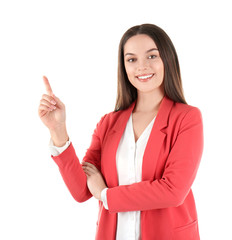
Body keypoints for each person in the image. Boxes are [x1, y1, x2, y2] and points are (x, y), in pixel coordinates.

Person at [38, 23, 204, 240]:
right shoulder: (109, 123)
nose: (142, 66)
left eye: (152, 56)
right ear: (124, 67)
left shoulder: (187, 118)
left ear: (168, 59)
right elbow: (81, 190)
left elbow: (173, 191)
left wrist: (105, 194)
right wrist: (58, 129)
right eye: (132, 59)